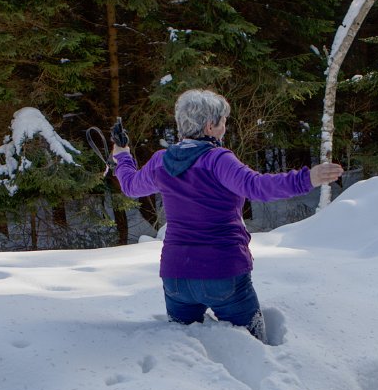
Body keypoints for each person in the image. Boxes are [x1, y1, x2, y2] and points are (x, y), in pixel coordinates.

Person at [112, 88, 344, 342]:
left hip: (177, 277)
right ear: (210, 126)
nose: (225, 127)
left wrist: (122, 155)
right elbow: (257, 186)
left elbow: (131, 185)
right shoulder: (217, 160)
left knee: (185, 350)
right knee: (254, 348)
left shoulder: (161, 161)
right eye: (223, 122)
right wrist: (307, 178)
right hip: (223, 272)